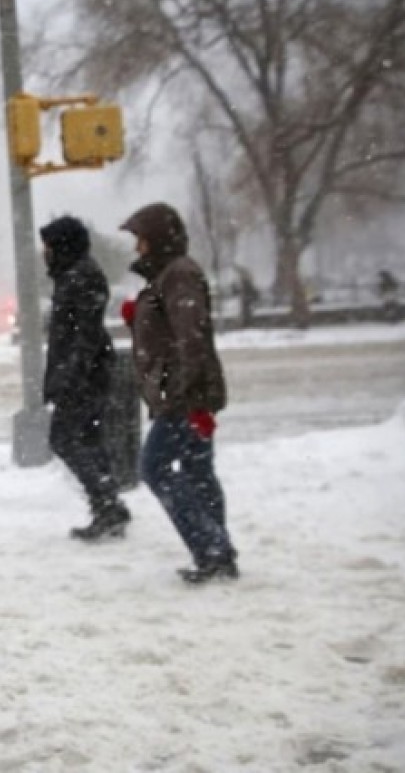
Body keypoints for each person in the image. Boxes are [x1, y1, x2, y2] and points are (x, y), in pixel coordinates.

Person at [120, 203, 237, 584]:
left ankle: (212, 549)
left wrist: (193, 401)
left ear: (155, 238)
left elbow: (192, 338)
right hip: (185, 393)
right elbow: (173, 329)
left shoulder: (179, 276)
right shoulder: (170, 276)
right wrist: (138, 317)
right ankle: (219, 553)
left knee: (153, 468)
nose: (137, 247)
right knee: (198, 471)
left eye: (140, 238)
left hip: (183, 397)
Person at [40, 217, 131, 541]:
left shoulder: (82, 277)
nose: (45, 253)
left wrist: (69, 377)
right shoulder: (73, 275)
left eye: (49, 246)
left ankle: (107, 503)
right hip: (82, 374)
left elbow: (84, 335)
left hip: (83, 377)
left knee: (63, 438)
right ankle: (109, 505)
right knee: (89, 439)